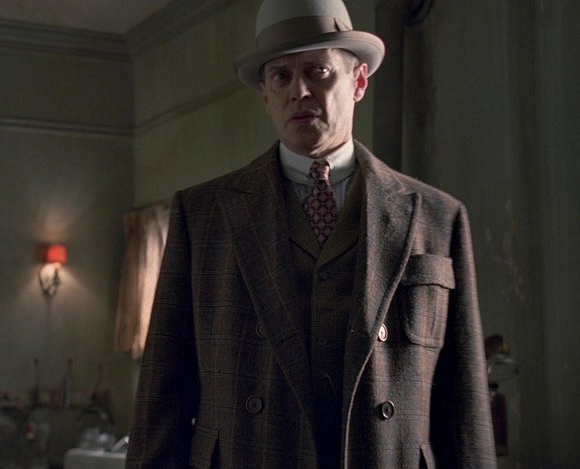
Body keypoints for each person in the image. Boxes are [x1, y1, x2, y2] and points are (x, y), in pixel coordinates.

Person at [126, 0, 497, 467]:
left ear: (358, 81)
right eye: (280, 76)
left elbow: (463, 404)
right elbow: (164, 393)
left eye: (317, 71)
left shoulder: (437, 217)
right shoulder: (202, 215)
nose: (298, 91)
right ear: (265, 95)